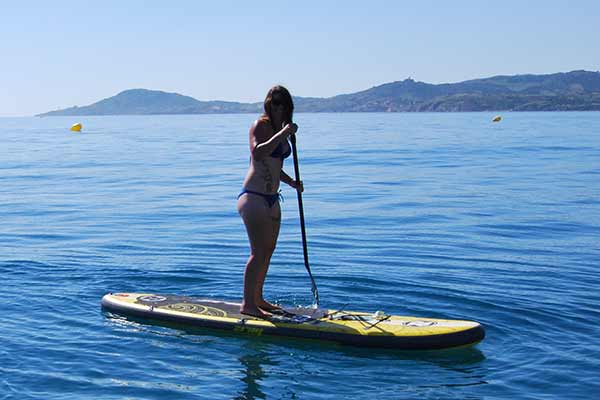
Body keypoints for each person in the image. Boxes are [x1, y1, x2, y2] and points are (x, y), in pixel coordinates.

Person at [237, 85, 303, 318]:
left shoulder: (280, 129)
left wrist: (292, 182)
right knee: (258, 251)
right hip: (253, 197)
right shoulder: (260, 126)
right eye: (274, 102)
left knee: (269, 250)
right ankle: (248, 304)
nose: (278, 107)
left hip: (273, 198)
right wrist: (283, 134)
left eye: (283, 103)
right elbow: (258, 154)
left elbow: (275, 167)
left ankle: (258, 298)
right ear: (268, 104)